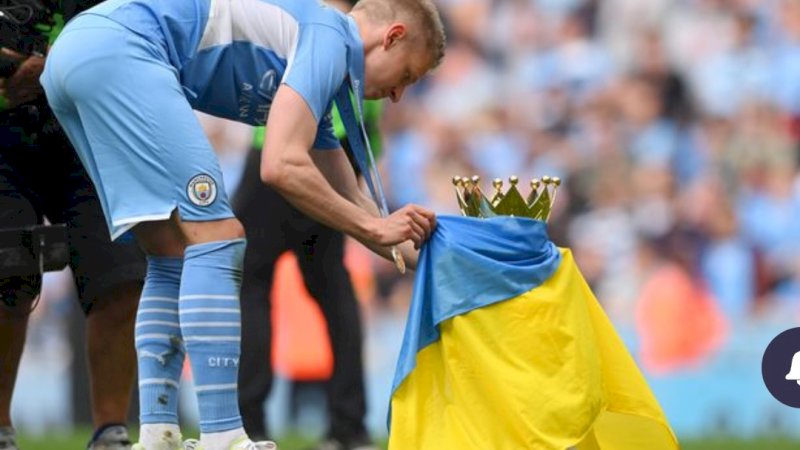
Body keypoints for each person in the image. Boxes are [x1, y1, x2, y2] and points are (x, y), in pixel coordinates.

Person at [40, 0, 445, 448]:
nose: (397, 97)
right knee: (221, 236)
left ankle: (158, 433)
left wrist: (434, 257)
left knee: (168, 252)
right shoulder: (331, 37)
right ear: (392, 37)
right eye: (406, 76)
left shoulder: (321, 66)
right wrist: (374, 231)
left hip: (73, 56)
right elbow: (280, 165)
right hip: (125, 48)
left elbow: (353, 196)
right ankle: (224, 436)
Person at [235, 0, 384, 441]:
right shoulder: (361, 38)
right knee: (333, 289)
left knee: (251, 286)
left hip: (280, 152)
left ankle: (249, 424)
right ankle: (349, 424)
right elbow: (370, 122)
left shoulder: (315, 21)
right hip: (340, 150)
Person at [0, 2, 145, 449]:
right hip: (4, 140)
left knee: (121, 274)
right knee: (9, 275)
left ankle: (110, 431)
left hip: (84, 133)